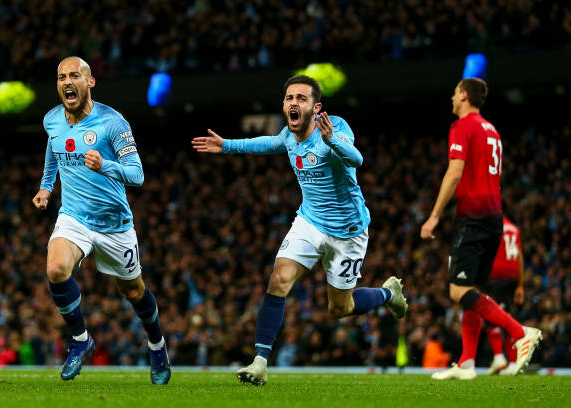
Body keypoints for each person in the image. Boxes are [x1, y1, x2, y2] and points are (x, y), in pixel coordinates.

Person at [192, 75, 407, 385]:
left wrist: (332, 140)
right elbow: (267, 143)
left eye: (301, 98)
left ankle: (388, 293)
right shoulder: (289, 136)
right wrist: (227, 146)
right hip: (309, 222)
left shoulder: (334, 127)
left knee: (340, 308)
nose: (293, 103)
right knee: (278, 280)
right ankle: (260, 362)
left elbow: (356, 159)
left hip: (348, 232)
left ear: (316, 107)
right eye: (289, 98)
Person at [32, 56, 171, 384]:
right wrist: (46, 186)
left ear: (90, 82)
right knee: (56, 269)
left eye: (75, 76)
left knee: (134, 292)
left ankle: (157, 345)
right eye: (62, 77)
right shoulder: (52, 119)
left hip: (114, 225)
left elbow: (137, 175)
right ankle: (81, 340)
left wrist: (104, 165)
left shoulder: (113, 123)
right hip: (74, 217)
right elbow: (54, 150)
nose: (68, 82)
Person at [420, 78, 541, 380]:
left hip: (472, 217)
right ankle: (467, 363)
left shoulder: (462, 126)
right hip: (494, 217)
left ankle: (520, 332)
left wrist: (434, 215)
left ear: (463, 95)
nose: (451, 98)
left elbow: (455, 171)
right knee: (472, 291)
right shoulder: (492, 130)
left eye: (454, 93)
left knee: (458, 290)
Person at [485, 216, 525, 375]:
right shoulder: (514, 228)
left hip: (497, 277)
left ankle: (501, 358)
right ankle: (511, 362)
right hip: (512, 277)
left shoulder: (491, 226)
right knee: (509, 317)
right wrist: (520, 285)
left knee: (494, 317)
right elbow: (519, 255)